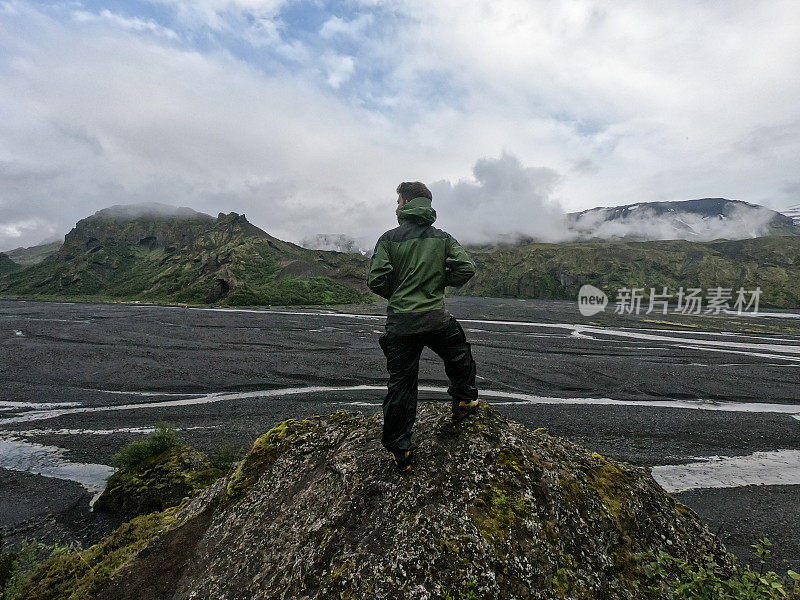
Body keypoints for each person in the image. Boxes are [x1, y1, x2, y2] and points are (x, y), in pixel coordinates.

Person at [367, 181, 479, 472]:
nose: (396, 207)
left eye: (398, 201)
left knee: (400, 385)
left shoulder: (388, 239)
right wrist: (440, 280)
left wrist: (399, 293)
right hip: (434, 317)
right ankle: (464, 400)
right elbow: (466, 268)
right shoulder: (442, 239)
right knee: (458, 352)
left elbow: (376, 280)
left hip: (401, 323)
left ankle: (400, 452)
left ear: (407, 203)